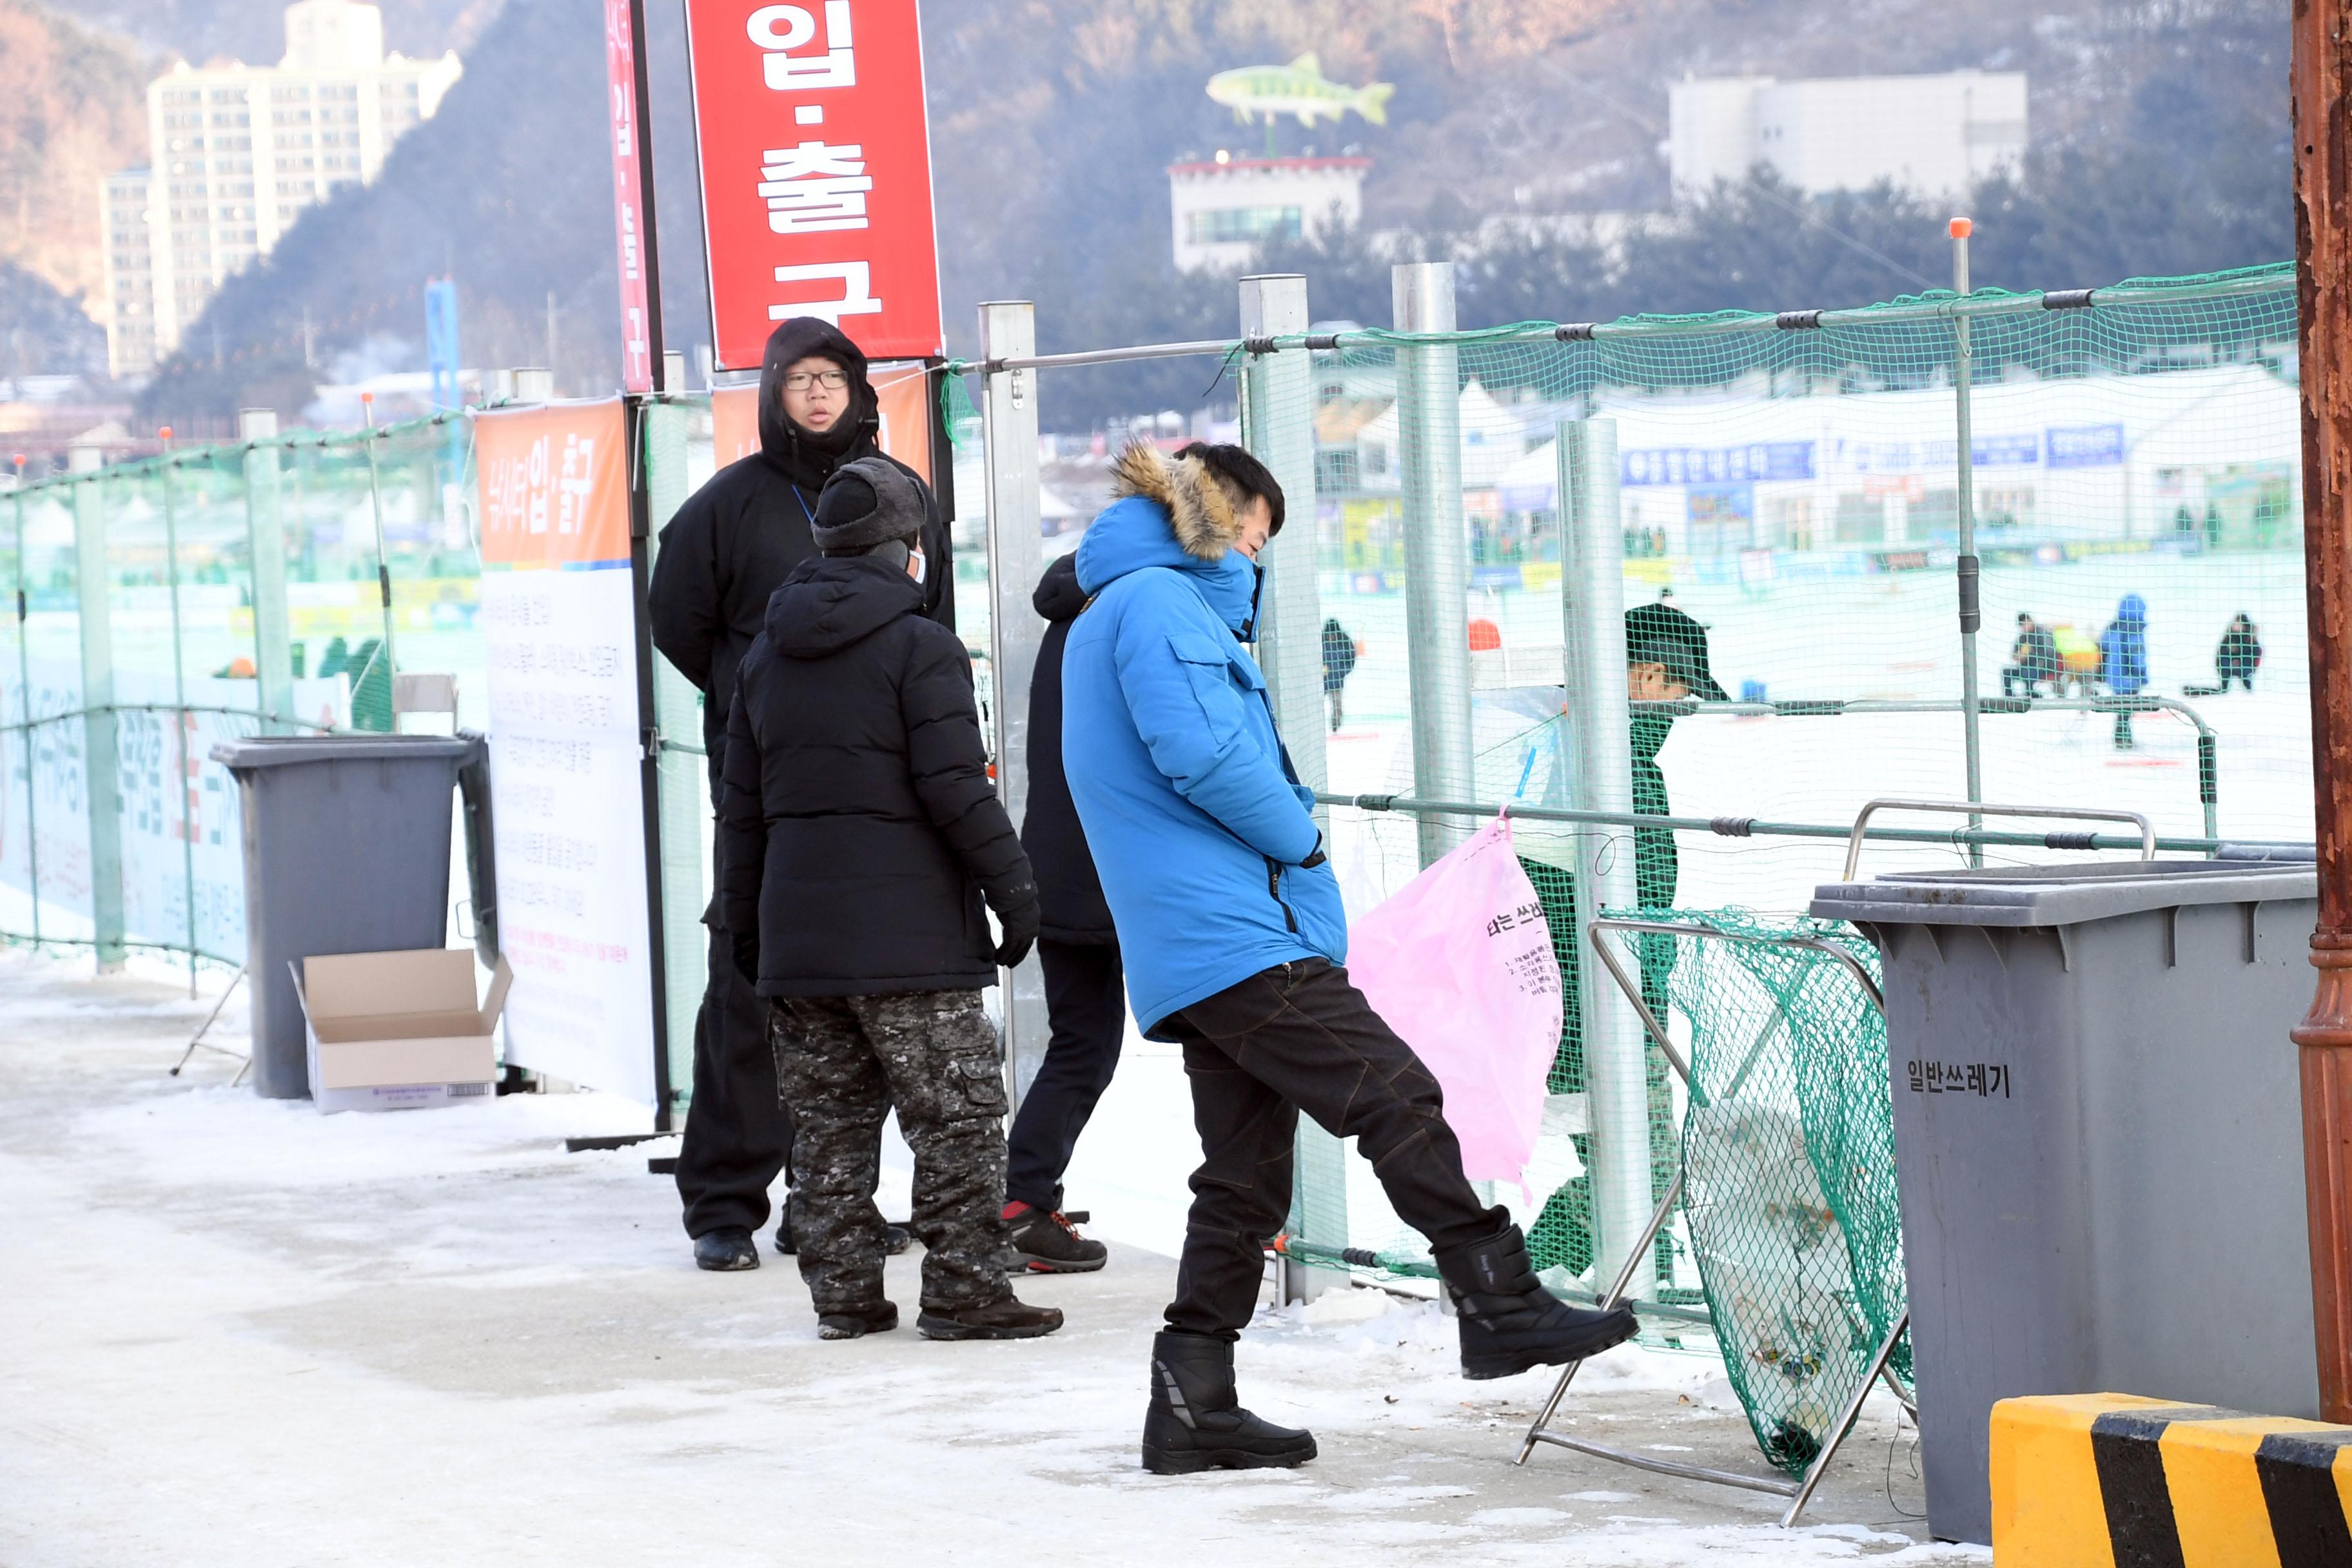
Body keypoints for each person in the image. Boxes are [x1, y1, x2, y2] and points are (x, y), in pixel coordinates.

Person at [1061, 441, 1636, 1476]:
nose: (1256, 552)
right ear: (1214, 513)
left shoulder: (1127, 603)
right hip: (1233, 934)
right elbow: (1203, 753)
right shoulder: (1156, 600)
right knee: (1395, 1094)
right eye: (1255, 531)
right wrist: (1302, 836)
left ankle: (1194, 1397)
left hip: (1210, 936)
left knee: (1243, 1180)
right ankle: (1495, 1296)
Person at [717, 456, 1058, 1342]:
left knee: (828, 1129)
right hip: (909, 943)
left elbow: (741, 814)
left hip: (802, 947)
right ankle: (963, 1291)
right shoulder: (921, 647)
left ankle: (845, 1298)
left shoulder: (765, 655)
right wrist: (1014, 888)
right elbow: (957, 788)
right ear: (911, 549)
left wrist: (749, 927)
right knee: (956, 1121)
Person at [650, 318, 953, 1273]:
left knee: (866, 986)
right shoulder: (728, 505)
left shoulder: (908, 496)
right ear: (772, 392)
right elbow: (678, 623)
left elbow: (930, 620)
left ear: (860, 391)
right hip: (766, 780)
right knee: (748, 979)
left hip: (883, 783)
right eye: (799, 378)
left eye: (834, 377)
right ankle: (724, 1203)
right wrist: (754, 703)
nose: (818, 395)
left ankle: (829, 1205)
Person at [1530, 601, 1726, 1284]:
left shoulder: (1571, 748)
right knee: (1645, 1169)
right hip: (1604, 1003)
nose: (1682, 709)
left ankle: (1627, 1284)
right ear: (1644, 678)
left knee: (1633, 1166)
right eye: (1680, 691)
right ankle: (1520, 1278)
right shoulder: (1613, 768)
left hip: (1593, 997)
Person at [1000, 552, 1118, 1273]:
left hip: (1058, 853)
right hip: (1117, 860)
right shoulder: (1135, 603)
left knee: (1082, 1040)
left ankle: (1021, 1199)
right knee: (1226, 1041)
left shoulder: (1077, 602)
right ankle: (1242, 1222)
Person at [2100, 593, 2150, 750]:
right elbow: (2137, 653)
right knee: (2127, 708)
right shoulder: (2134, 628)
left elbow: (2103, 645)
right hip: (2129, 675)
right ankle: (2123, 740)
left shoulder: (2113, 627)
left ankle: (2121, 738)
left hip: (2113, 674)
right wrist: (2142, 675)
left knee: (2123, 707)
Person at [2002, 613, 2061, 699]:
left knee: (2028, 672)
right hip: (2025, 668)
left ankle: (2031, 694)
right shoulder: (2023, 638)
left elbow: (2048, 653)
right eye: (2022, 625)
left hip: (2042, 668)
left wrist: (2029, 656)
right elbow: (2015, 653)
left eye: (2026, 624)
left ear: (2031, 621)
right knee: (2007, 672)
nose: (2024, 627)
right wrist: (2018, 656)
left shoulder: (2042, 634)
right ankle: (2010, 698)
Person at [1320, 616, 1357, 732]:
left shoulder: (1345, 642)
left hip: (1336, 681)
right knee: (1316, 705)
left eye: (1332, 635)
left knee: (1337, 706)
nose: (1330, 637)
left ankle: (1336, 725)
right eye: (1328, 635)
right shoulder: (1320, 640)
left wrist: (1339, 671)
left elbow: (1350, 662)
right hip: (1322, 681)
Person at [2217, 612, 2263, 692]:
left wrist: (2239, 662)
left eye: (2239, 624)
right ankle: (2224, 687)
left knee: (2245, 670)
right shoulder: (2229, 637)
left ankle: (2248, 688)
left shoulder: (2250, 638)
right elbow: (2222, 651)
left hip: (2246, 664)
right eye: (2236, 623)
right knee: (2225, 665)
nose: (2237, 626)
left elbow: (2254, 654)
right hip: (2230, 664)